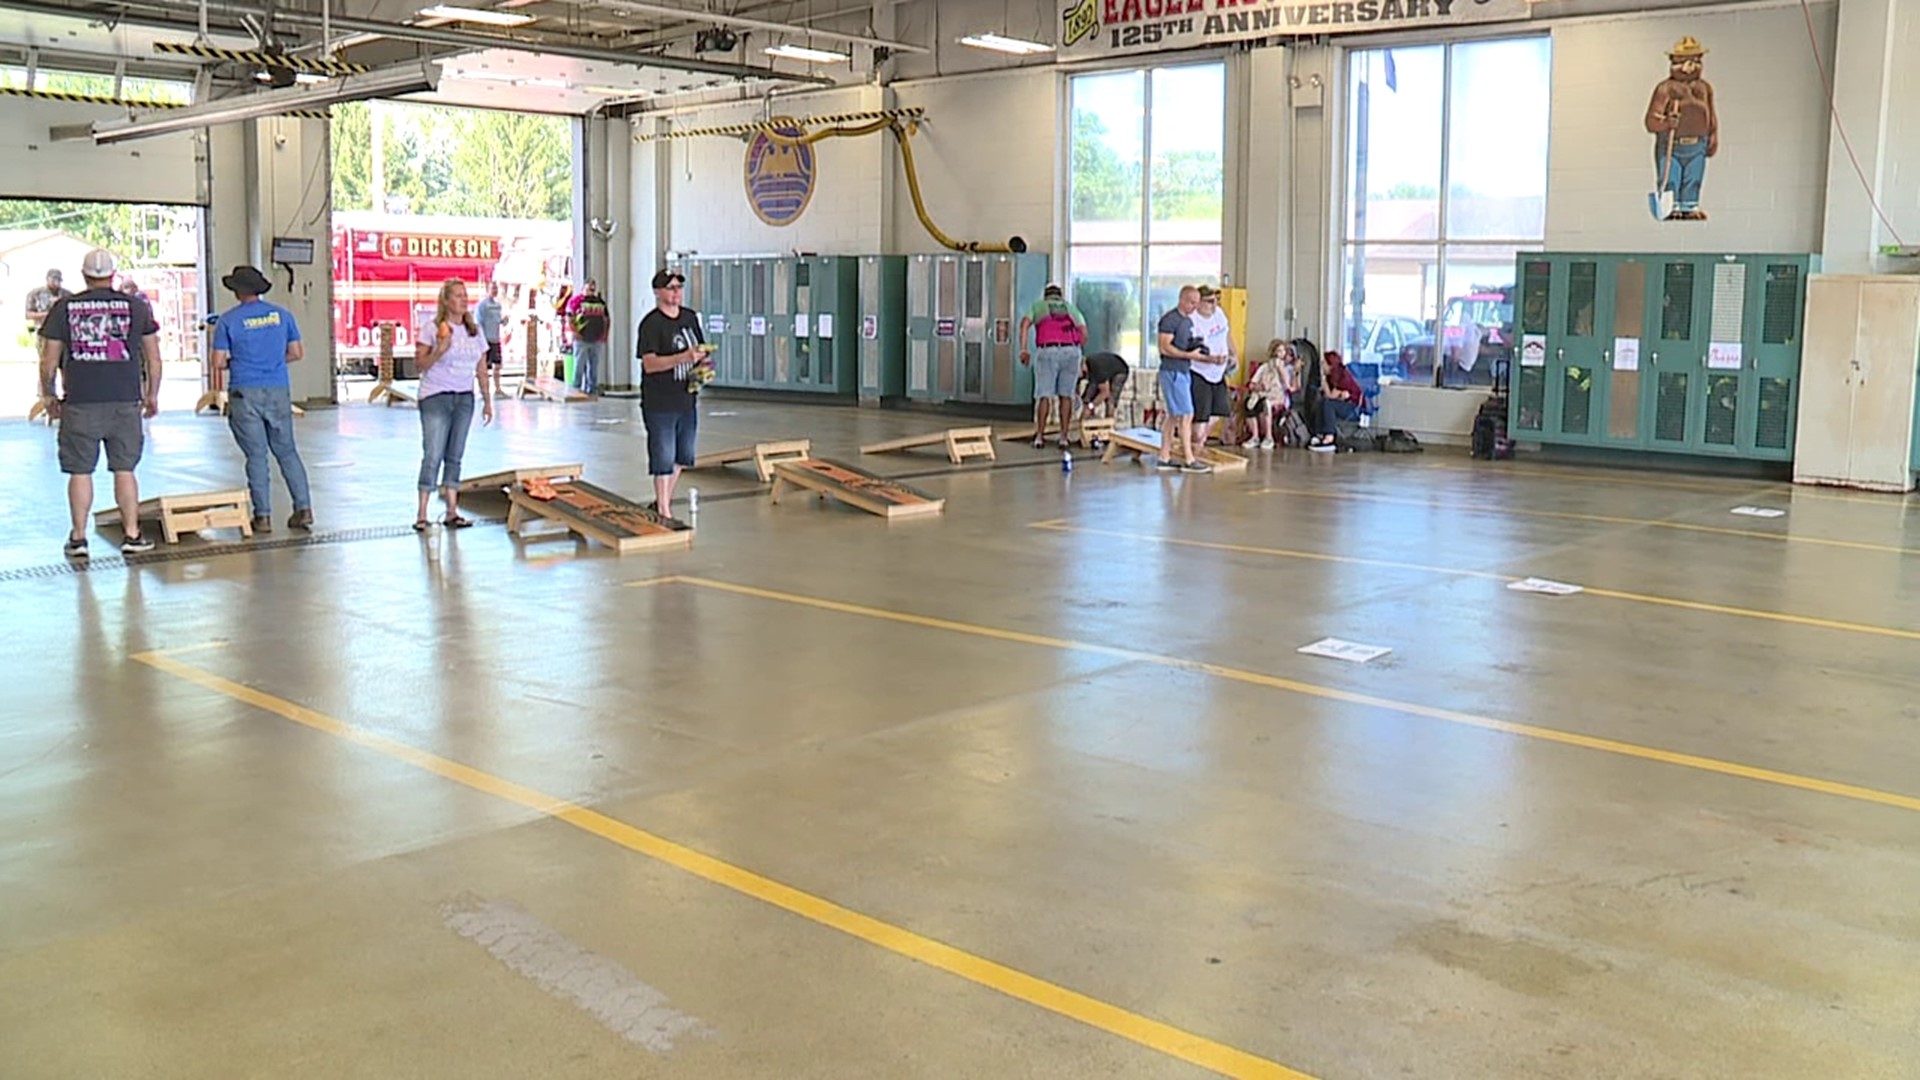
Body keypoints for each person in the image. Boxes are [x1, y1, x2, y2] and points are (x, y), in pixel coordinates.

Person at [37, 249, 161, 558]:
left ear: (84, 275)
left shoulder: (63, 308)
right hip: (125, 402)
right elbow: (154, 358)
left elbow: (48, 361)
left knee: (80, 471)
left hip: (80, 402)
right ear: (113, 274)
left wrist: (49, 395)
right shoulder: (136, 307)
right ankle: (132, 534)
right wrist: (152, 394)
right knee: (125, 469)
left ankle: (78, 539)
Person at [210, 265, 313, 534]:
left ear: (236, 291)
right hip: (278, 389)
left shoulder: (228, 321)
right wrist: (272, 362)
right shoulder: (282, 316)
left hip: (245, 391)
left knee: (256, 456)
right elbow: (297, 352)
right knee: (287, 451)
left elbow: (218, 362)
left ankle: (263, 517)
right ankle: (303, 508)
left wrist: (241, 362)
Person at [412, 278, 493, 531]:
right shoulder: (433, 329)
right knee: (433, 453)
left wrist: (487, 400)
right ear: (446, 301)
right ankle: (422, 512)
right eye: (457, 296)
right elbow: (419, 365)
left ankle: (451, 510)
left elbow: (481, 368)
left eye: (464, 295)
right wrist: (440, 350)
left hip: (463, 397)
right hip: (436, 395)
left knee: (455, 455)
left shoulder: (474, 330)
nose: (462, 300)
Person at [635, 269, 704, 512]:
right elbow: (650, 364)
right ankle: (664, 508)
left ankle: (662, 501)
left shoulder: (689, 317)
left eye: (679, 287)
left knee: (683, 455)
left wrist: (702, 363)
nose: (676, 292)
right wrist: (681, 358)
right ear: (658, 292)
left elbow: (699, 347)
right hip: (660, 401)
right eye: (670, 288)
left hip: (686, 397)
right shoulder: (651, 324)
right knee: (663, 455)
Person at [1644, 36, 1717, 222]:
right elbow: (1651, 121)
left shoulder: (1704, 88)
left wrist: (1713, 135)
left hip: (1697, 145)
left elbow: (1711, 114)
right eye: (1683, 61)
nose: (1689, 67)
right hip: (1672, 145)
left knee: (1694, 177)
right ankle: (1672, 206)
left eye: (1694, 61)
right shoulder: (1665, 89)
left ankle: (1690, 205)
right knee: (1671, 178)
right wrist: (1667, 122)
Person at [1019, 283, 1087, 450]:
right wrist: (1078, 351)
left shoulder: (1038, 306)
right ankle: (1064, 438)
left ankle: (1040, 437)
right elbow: (1084, 332)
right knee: (1067, 395)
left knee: (1044, 395)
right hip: (1071, 351)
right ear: (1060, 296)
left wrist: (1024, 349)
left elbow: (1025, 324)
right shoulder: (1070, 308)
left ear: (1046, 296)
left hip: (1048, 350)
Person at [1154, 286, 1211, 472]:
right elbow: (1164, 347)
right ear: (1182, 300)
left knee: (1173, 415)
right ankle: (1189, 459)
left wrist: (1197, 350)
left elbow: (1184, 346)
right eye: (1191, 303)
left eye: (1196, 303)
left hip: (1183, 371)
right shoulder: (1170, 320)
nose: (1194, 307)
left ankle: (1164, 456)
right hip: (1172, 371)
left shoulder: (1187, 322)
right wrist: (1187, 355)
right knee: (1186, 414)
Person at [1186, 285, 1235, 461]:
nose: (1213, 306)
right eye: (1209, 302)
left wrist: (1233, 353)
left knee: (1219, 412)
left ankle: (1199, 445)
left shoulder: (1219, 314)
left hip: (1218, 373)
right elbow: (1191, 350)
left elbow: (1226, 334)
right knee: (1201, 420)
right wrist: (1211, 359)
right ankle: (1193, 445)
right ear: (1199, 303)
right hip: (1200, 372)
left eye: (1216, 301)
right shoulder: (1192, 321)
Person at [1243, 340, 1299, 450]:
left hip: (1277, 396)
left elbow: (1289, 386)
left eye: (1283, 351)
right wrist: (1259, 386)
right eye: (1278, 351)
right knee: (1249, 403)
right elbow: (1252, 384)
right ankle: (1255, 437)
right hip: (1262, 392)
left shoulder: (1287, 368)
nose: (1281, 353)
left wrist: (1280, 369)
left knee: (1266, 404)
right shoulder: (1264, 367)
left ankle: (1269, 437)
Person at [1308, 349, 1368, 452]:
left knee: (1328, 404)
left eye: (1324, 363)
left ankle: (1329, 435)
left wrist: (1324, 382)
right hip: (1341, 403)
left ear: (1331, 365)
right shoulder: (1331, 377)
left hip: (1353, 407)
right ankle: (1318, 433)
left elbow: (1330, 396)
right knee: (1321, 402)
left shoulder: (1342, 377)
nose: (1322, 365)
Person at [567, 278, 610, 395]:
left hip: (596, 338)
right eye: (588, 287)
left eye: (593, 288)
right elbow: (570, 318)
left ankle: (592, 389)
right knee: (579, 365)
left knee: (594, 366)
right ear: (584, 288)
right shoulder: (576, 301)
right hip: (581, 338)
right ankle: (576, 389)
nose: (591, 290)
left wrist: (605, 334)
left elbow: (606, 319)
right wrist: (575, 332)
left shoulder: (600, 303)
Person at [1080, 351, 1129, 422]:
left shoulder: (1097, 368)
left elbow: (1105, 392)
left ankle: (1108, 425)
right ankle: (1085, 423)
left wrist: (1091, 406)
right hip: (1106, 370)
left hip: (1120, 370)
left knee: (1110, 400)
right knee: (1087, 398)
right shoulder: (1089, 369)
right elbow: (1090, 390)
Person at [476, 280, 505, 398]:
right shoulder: (482, 305)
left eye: (496, 288)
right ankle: (482, 390)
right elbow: (478, 322)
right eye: (493, 288)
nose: (495, 290)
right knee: (483, 367)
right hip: (485, 340)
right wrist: (480, 340)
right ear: (487, 290)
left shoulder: (498, 305)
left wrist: (504, 321)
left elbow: (498, 320)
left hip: (495, 340)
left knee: (497, 365)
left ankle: (498, 389)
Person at [25, 268, 69, 334]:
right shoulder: (35, 293)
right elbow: (28, 315)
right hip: (42, 329)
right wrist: (47, 314)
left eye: (58, 280)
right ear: (47, 279)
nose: (56, 282)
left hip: (62, 331)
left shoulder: (67, 294)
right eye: (53, 279)